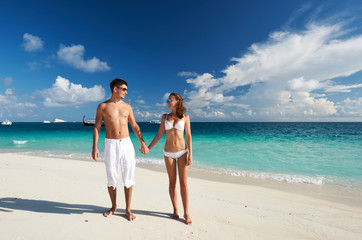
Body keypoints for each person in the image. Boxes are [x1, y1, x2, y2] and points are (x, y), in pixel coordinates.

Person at [92, 78, 149, 221]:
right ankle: (113, 206)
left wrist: (142, 142)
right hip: (110, 144)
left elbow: (135, 126)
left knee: (128, 176)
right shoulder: (102, 106)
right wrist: (94, 146)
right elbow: (97, 126)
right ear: (115, 89)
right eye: (124, 89)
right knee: (111, 177)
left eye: (126, 90)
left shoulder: (127, 107)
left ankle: (128, 209)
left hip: (126, 143)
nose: (126, 92)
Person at [147, 93, 193, 225]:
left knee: (183, 183)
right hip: (168, 153)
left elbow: (188, 136)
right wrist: (149, 148)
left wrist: (191, 153)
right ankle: (175, 210)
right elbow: (159, 134)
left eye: (169, 100)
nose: (167, 102)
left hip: (183, 152)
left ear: (177, 101)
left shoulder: (185, 117)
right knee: (172, 182)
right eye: (166, 99)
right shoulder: (164, 117)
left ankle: (186, 212)